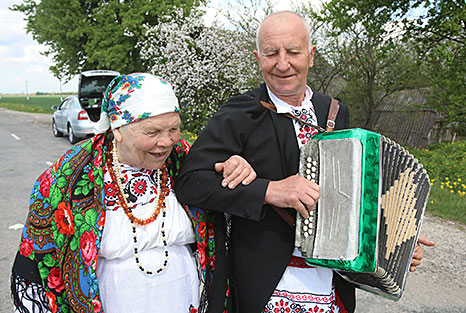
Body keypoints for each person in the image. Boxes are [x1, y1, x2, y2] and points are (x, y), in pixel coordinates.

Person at [174, 11, 435, 313]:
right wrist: (270, 190)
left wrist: (395, 239)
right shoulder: (240, 112)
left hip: (331, 285)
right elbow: (191, 182)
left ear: (310, 56)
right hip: (268, 285)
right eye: (271, 53)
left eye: (293, 52)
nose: (282, 64)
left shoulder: (334, 112)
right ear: (258, 58)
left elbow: (352, 196)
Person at [11, 73, 257, 313]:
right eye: (153, 132)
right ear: (118, 129)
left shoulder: (186, 160)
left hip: (182, 297)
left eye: (174, 129)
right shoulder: (71, 173)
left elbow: (223, 205)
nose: (167, 142)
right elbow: (40, 252)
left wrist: (235, 166)